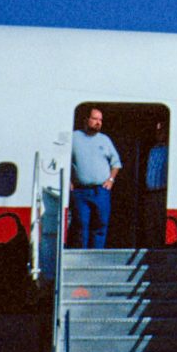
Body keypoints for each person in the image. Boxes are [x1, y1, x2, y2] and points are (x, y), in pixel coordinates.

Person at [69, 105, 120, 249]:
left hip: (101, 191)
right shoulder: (73, 137)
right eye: (95, 119)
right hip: (80, 191)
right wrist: (68, 180)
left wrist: (111, 180)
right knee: (81, 224)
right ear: (86, 120)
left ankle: (97, 254)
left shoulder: (105, 140)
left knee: (101, 224)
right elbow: (64, 160)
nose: (98, 122)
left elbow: (116, 163)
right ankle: (81, 257)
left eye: (100, 120)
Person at [139, 120, 169, 247]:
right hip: (150, 192)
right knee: (150, 224)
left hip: (162, 193)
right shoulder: (152, 150)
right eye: (157, 131)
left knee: (161, 224)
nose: (158, 133)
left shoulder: (170, 150)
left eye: (161, 130)